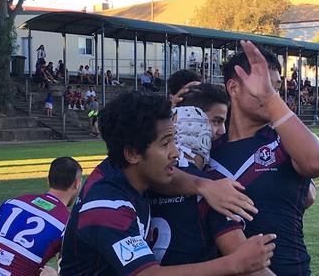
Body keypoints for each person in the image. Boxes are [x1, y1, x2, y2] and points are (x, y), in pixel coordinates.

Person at [60, 91, 276, 275]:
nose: (175, 152)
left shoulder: (122, 171)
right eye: (165, 143)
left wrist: (205, 186)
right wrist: (236, 262)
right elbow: (147, 274)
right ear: (133, 154)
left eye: (174, 139)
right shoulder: (107, 204)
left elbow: (172, 178)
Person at [210, 41, 319, 275]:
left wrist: (269, 98)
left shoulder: (283, 141)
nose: (271, 93)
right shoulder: (209, 151)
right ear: (233, 89)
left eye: (275, 87)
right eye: (263, 85)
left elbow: (315, 163)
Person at [0, 157, 82, 276]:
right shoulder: (68, 222)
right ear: (77, 183)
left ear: (48, 180)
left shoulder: (12, 203)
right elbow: (68, 269)